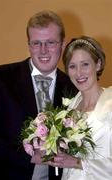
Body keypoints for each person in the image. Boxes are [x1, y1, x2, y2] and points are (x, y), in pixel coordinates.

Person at [0, 10, 78, 180]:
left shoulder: (74, 87)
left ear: (63, 44)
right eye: (36, 43)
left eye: (51, 42)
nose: (43, 50)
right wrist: (31, 157)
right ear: (29, 45)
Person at [47, 36, 112, 179]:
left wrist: (79, 163)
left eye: (85, 64)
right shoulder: (69, 109)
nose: (79, 73)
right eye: (72, 66)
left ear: (98, 64)